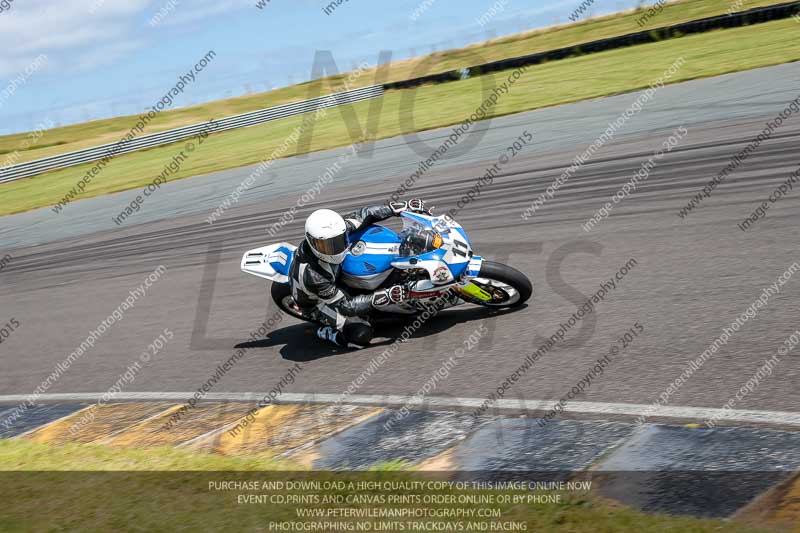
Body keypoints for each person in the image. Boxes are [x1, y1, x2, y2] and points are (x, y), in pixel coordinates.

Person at [289, 199, 429, 348]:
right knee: (361, 335)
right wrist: (386, 295)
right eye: (327, 246)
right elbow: (345, 306)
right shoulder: (314, 275)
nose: (335, 248)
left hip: (337, 281)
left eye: (338, 241)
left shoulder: (336, 230)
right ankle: (326, 332)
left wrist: (397, 208)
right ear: (312, 242)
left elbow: (366, 214)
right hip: (320, 303)